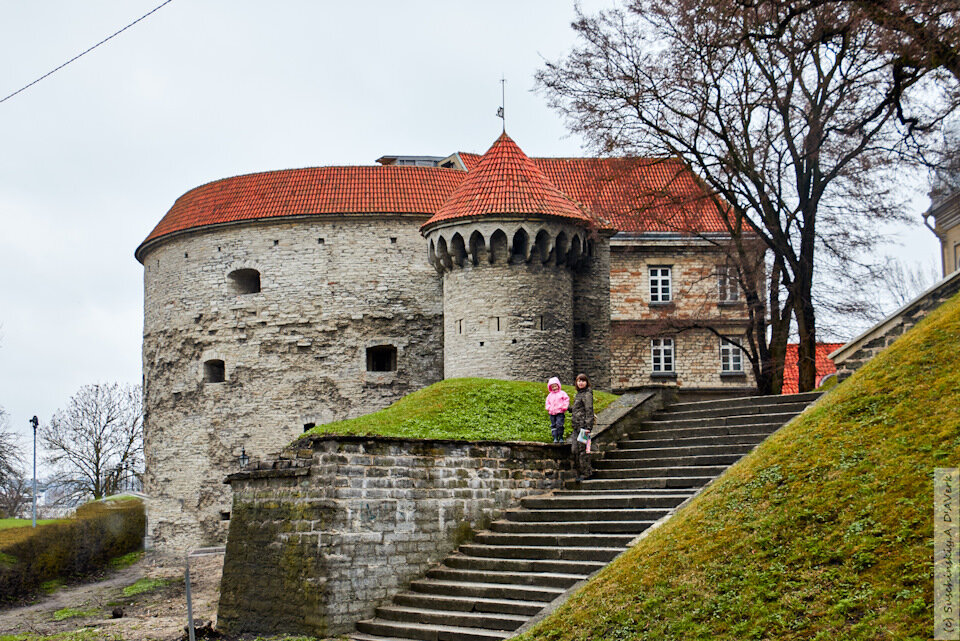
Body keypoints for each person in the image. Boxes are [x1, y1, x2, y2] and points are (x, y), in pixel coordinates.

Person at [570, 373, 594, 481]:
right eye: (579, 381)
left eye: (583, 381)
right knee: (575, 449)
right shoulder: (578, 394)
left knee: (584, 450)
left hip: (584, 426)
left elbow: (589, 410)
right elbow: (577, 409)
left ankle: (586, 472)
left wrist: (588, 426)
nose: (580, 383)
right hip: (576, 426)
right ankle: (580, 472)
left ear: (586, 382)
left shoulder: (587, 394)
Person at [545, 376, 570, 443]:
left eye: (555, 386)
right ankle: (555, 437)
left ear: (558, 385)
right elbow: (547, 402)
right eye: (552, 387)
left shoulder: (562, 393)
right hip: (552, 413)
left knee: (559, 424)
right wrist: (548, 408)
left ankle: (561, 436)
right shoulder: (550, 395)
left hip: (560, 412)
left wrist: (564, 406)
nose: (554, 388)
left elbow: (566, 400)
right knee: (553, 425)